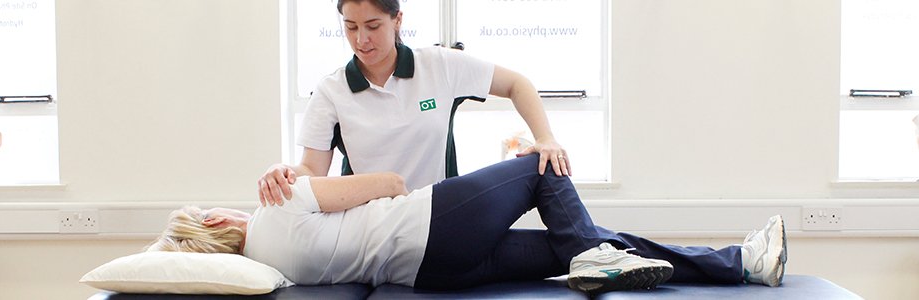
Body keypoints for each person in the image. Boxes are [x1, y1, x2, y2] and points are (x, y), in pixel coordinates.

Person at [150, 154, 788, 294]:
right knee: (543, 165)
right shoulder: (277, 202)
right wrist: (297, 176)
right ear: (214, 220)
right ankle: (595, 258)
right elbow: (393, 186)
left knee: (586, 245)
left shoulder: (271, 271)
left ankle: (742, 263)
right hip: (429, 227)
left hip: (431, 274)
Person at [258, 0, 573, 206]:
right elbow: (312, 169)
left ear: (397, 20)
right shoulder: (331, 90)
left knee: (543, 161)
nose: (360, 40)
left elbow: (518, 84)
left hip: (440, 214)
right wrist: (281, 171)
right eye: (350, 27)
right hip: (370, 225)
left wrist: (546, 138)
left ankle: (603, 252)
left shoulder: (438, 66)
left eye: (373, 26)